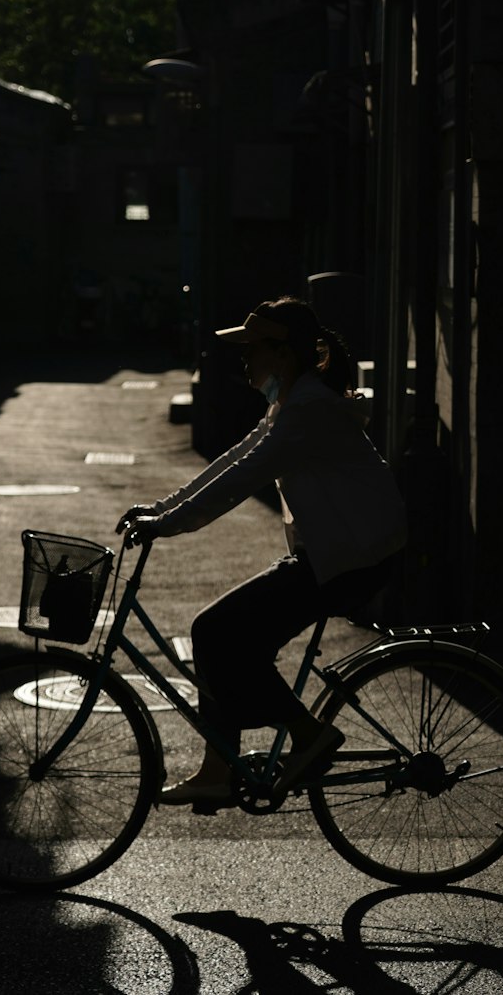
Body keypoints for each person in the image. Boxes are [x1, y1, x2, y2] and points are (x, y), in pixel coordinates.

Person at [117, 295, 407, 805]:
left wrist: (167, 524)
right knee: (222, 635)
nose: (244, 360)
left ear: (285, 354)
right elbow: (233, 460)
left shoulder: (310, 410)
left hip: (351, 559)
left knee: (216, 631)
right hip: (332, 554)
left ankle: (305, 735)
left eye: (253, 350)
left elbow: (242, 479)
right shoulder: (291, 404)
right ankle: (221, 767)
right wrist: (161, 509)